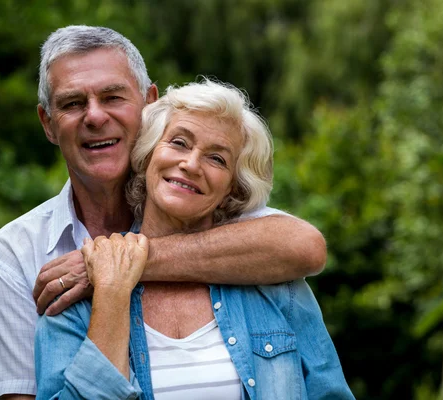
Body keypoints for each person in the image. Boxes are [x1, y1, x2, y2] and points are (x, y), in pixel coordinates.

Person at [0, 26, 328, 400]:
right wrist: (111, 282)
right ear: (48, 123)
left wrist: (123, 260)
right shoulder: (14, 258)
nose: (94, 116)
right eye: (72, 103)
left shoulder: (226, 221)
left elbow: (306, 247)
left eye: (113, 96)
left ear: (149, 103)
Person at [35, 78, 354, 399]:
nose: (190, 164)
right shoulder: (78, 292)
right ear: (147, 156)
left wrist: (137, 260)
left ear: (233, 188)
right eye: (178, 143)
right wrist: (112, 292)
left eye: (217, 159)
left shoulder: (277, 288)